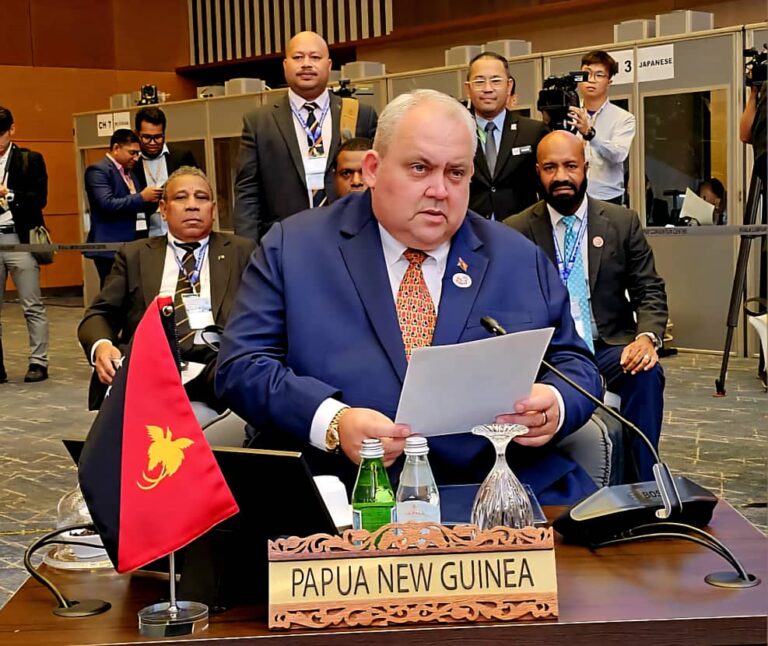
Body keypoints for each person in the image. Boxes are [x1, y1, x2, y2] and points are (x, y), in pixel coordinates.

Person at [217, 89, 602, 505]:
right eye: (420, 168)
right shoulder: (294, 248)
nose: (439, 190)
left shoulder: (518, 257)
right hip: (340, 491)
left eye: (456, 173)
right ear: (373, 169)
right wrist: (334, 422)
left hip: (496, 490)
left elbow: (574, 363)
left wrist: (555, 404)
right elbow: (242, 366)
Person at [505, 130, 668, 481]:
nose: (561, 176)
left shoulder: (622, 222)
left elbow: (649, 289)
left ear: (585, 167)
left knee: (646, 373)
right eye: (550, 167)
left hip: (609, 348)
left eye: (570, 166)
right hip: (551, 355)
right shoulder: (515, 231)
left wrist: (647, 338)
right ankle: (558, 485)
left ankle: (644, 485)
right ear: (538, 172)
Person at [78, 167, 255, 413]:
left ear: (213, 209)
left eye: (201, 198)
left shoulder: (242, 252)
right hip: (151, 364)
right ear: (163, 209)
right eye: (181, 198)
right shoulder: (136, 255)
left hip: (217, 365)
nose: (192, 206)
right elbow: (100, 313)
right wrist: (102, 345)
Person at [233, 30, 378, 242]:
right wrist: (247, 250)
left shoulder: (360, 115)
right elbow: (247, 193)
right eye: (298, 57)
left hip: (352, 235)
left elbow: (379, 178)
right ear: (285, 65)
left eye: (315, 57)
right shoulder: (259, 122)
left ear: (329, 65)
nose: (306, 64)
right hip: (285, 239)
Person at [0, 107, 50, 383]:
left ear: (12, 130)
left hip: (19, 237)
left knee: (32, 304)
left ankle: (38, 361)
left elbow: (40, 198)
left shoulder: (29, 159)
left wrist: (9, 194)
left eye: (0, 134)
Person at [466, 52, 548, 220]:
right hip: (469, 227)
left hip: (521, 228)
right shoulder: (455, 132)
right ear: (468, 89)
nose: (488, 88)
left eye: (496, 81)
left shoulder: (533, 131)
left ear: (509, 86)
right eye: (479, 82)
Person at [84, 129, 160, 286]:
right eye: (132, 153)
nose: (136, 158)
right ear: (116, 148)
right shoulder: (98, 171)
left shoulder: (130, 173)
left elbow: (136, 206)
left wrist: (154, 199)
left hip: (133, 243)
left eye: (138, 153)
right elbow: (107, 204)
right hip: (110, 246)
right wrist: (141, 197)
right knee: (112, 291)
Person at [569, 50, 635, 205]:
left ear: (609, 81)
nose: (591, 80)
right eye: (587, 74)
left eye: (599, 75)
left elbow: (618, 155)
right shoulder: (569, 115)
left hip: (607, 197)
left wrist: (590, 134)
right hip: (572, 195)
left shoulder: (623, 118)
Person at [133, 107, 199, 237]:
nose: (152, 142)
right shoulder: (132, 163)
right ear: (137, 134)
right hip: (145, 235)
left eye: (158, 137)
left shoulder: (181, 156)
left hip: (181, 233)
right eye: (147, 137)